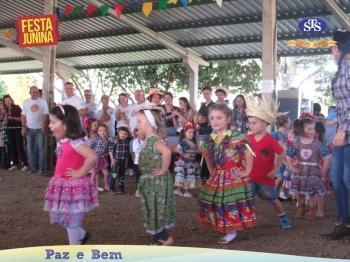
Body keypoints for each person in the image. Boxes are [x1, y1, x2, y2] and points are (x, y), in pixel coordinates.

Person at [198, 103, 256, 244]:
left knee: (229, 202)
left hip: (233, 175)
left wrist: (247, 170)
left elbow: (248, 152)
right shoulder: (209, 139)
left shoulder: (237, 137)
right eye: (212, 118)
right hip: (219, 175)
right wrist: (213, 173)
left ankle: (231, 230)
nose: (215, 121)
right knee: (217, 201)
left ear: (228, 119)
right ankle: (224, 225)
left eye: (219, 118)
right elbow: (208, 158)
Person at [44, 104, 98, 245]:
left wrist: (80, 172)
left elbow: (92, 157)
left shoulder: (75, 143)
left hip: (73, 187)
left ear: (66, 124)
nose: (50, 126)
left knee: (70, 219)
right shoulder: (62, 141)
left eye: (53, 122)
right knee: (63, 216)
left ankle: (75, 248)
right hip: (62, 184)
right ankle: (81, 234)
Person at [246, 96, 292, 229]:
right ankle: (248, 218)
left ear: (265, 123)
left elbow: (282, 152)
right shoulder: (248, 138)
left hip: (266, 178)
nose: (251, 125)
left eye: (254, 123)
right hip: (251, 177)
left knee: (273, 199)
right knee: (248, 199)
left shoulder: (270, 139)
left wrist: (275, 170)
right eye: (250, 123)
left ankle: (282, 216)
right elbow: (245, 154)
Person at [324, 30, 350, 240]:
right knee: (336, 178)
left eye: (335, 47)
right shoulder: (341, 69)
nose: (332, 51)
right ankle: (343, 220)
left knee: (348, 178)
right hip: (343, 131)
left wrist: (343, 128)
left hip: (347, 130)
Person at [136, 103, 175, 245]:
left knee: (155, 210)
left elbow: (167, 151)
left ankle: (163, 239)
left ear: (150, 123)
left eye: (140, 121)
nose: (137, 124)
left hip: (156, 183)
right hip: (151, 182)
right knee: (153, 209)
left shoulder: (153, 140)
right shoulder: (149, 139)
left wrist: (163, 169)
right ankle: (159, 238)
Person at [286, 113, 330, 220]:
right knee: (299, 192)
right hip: (300, 171)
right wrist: (292, 168)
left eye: (313, 129)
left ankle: (312, 210)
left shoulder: (318, 143)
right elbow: (288, 156)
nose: (312, 131)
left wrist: (324, 169)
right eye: (309, 129)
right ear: (302, 129)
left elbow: (327, 156)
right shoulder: (296, 143)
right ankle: (300, 208)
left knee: (312, 193)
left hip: (313, 172)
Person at [21, 86, 49, 174]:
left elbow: (46, 114)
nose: (34, 93)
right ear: (30, 93)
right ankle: (33, 167)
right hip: (29, 128)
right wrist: (23, 126)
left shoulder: (43, 101)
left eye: (36, 91)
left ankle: (41, 168)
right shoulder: (26, 102)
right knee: (30, 148)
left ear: (38, 92)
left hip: (40, 128)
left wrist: (44, 125)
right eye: (32, 92)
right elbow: (23, 115)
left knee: (41, 148)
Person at [174, 122, 201, 197]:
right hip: (184, 162)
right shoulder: (184, 141)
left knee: (189, 176)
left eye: (193, 132)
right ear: (185, 133)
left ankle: (186, 191)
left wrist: (199, 149)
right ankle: (178, 190)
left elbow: (197, 151)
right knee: (182, 175)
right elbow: (177, 149)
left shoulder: (194, 142)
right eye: (190, 132)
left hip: (192, 163)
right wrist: (183, 154)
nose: (192, 134)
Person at [3, 95, 28, 171]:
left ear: (11, 100)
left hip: (17, 129)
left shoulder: (17, 107)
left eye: (9, 100)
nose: (8, 102)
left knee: (19, 146)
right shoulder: (5, 110)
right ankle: (15, 164)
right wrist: (6, 116)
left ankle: (25, 164)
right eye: (6, 101)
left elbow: (22, 118)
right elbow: (5, 122)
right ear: (4, 102)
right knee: (12, 146)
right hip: (9, 129)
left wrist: (13, 118)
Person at [271, 112, 290, 201]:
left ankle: (279, 193)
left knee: (282, 176)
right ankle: (272, 192)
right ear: (285, 124)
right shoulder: (279, 134)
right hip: (279, 158)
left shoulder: (282, 134)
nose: (290, 124)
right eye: (289, 122)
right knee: (280, 176)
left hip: (281, 157)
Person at [108, 126, 130, 194]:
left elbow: (127, 153)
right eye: (121, 133)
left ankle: (121, 189)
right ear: (118, 133)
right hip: (115, 161)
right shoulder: (115, 140)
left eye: (125, 134)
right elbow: (110, 150)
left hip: (123, 161)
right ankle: (111, 189)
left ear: (127, 135)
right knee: (113, 175)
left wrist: (126, 161)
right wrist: (112, 159)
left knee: (122, 175)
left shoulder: (126, 142)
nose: (123, 135)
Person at [90, 124, 110, 192]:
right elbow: (90, 147)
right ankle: (92, 188)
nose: (102, 132)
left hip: (103, 159)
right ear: (98, 132)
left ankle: (106, 185)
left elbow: (107, 149)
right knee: (94, 174)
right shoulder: (95, 139)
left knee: (106, 174)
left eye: (104, 130)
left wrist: (106, 153)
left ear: (106, 131)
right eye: (100, 131)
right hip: (96, 159)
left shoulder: (107, 140)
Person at [130, 128, 146, 197]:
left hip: (145, 162)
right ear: (137, 134)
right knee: (138, 177)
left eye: (143, 133)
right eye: (140, 133)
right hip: (137, 162)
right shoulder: (134, 141)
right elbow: (134, 151)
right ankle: (137, 191)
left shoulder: (147, 141)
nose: (142, 135)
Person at [0, 100, 9, 169]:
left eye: (1, 103)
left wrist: (5, 114)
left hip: (3, 132)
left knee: (4, 149)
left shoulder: (5, 111)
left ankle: (5, 164)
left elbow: (6, 122)